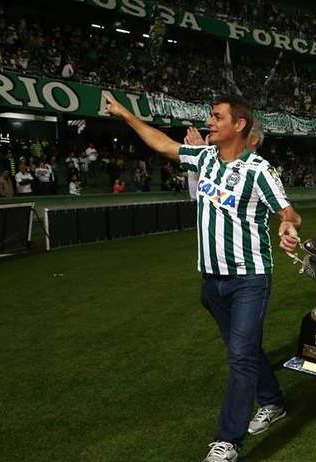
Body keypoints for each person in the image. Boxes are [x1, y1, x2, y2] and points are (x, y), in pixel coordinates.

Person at [104, 93, 302, 461]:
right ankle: (273, 402)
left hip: (249, 279)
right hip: (212, 283)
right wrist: (126, 115)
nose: (209, 122)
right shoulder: (205, 158)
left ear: (238, 125)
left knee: (241, 358)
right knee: (245, 351)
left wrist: (287, 228)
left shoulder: (258, 170)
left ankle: (229, 440)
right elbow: (163, 144)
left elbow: (289, 212)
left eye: (216, 117)